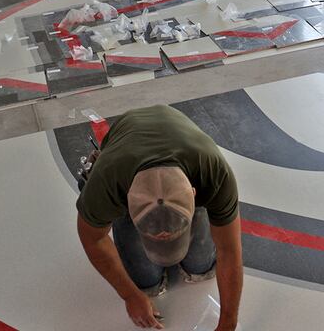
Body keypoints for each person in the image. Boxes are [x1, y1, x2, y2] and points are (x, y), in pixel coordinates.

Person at [76, 104, 243, 330]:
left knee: (201, 267)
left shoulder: (213, 173)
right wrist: (130, 296)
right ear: (128, 207)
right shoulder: (107, 183)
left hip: (185, 158)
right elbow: (92, 238)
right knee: (146, 282)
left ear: (194, 194)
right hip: (127, 150)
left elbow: (229, 251)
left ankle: (188, 224)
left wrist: (228, 323)